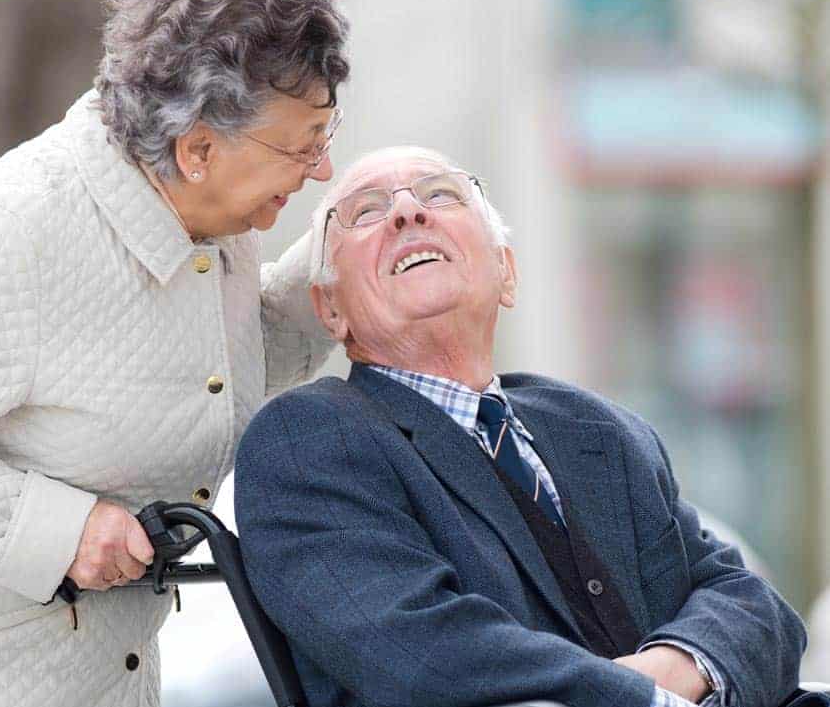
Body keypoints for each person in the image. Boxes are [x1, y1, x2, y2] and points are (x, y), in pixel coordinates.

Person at [235, 147, 806, 707]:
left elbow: (752, 606)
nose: (410, 213)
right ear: (330, 309)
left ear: (506, 273)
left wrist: (667, 674)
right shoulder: (310, 439)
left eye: (441, 194)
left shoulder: (594, 427)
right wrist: (639, 696)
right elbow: (425, 654)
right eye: (367, 211)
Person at [0, 0, 348, 707]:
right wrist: (60, 530)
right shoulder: (9, 236)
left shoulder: (211, 218)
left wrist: (338, 272)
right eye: (302, 145)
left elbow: (199, 377)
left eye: (327, 133)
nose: (320, 169)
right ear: (198, 150)